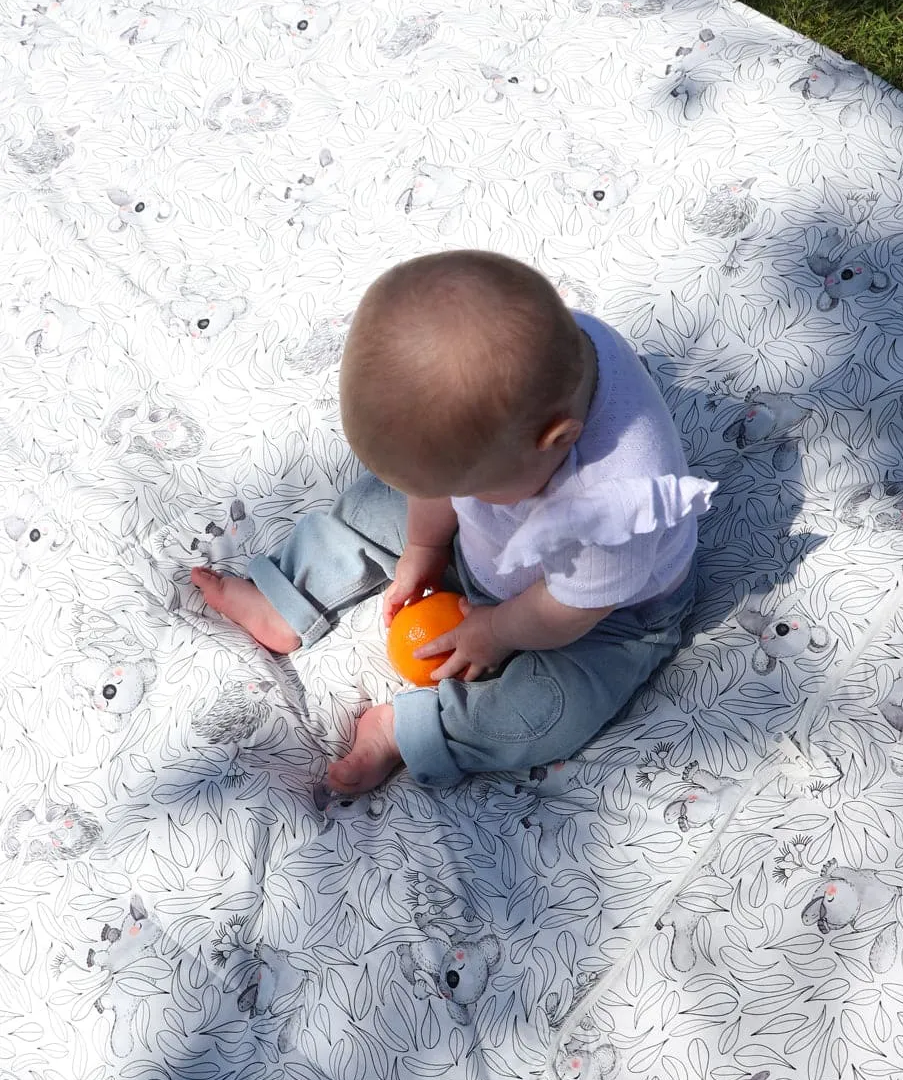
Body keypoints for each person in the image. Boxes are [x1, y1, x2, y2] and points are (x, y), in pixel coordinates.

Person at [191, 250, 715, 793]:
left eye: (464, 485)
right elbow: (438, 481)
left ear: (555, 440)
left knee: (549, 711)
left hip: (601, 614)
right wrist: (424, 546)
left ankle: (409, 731)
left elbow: (569, 608)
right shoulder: (532, 374)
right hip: (492, 545)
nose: (450, 494)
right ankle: (287, 595)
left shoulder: (615, 504)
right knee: (377, 503)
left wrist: (496, 629)